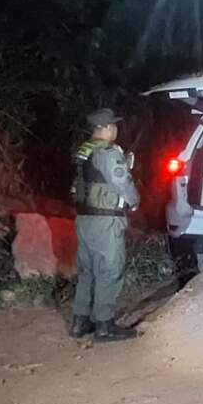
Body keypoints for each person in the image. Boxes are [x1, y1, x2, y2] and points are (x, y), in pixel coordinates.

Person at [69, 108, 140, 341]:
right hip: (106, 220)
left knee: (87, 271)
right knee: (110, 269)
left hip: (84, 218)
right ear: (108, 128)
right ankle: (104, 326)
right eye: (114, 126)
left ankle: (80, 322)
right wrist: (134, 202)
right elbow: (122, 181)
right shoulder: (109, 153)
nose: (116, 129)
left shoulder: (84, 151)